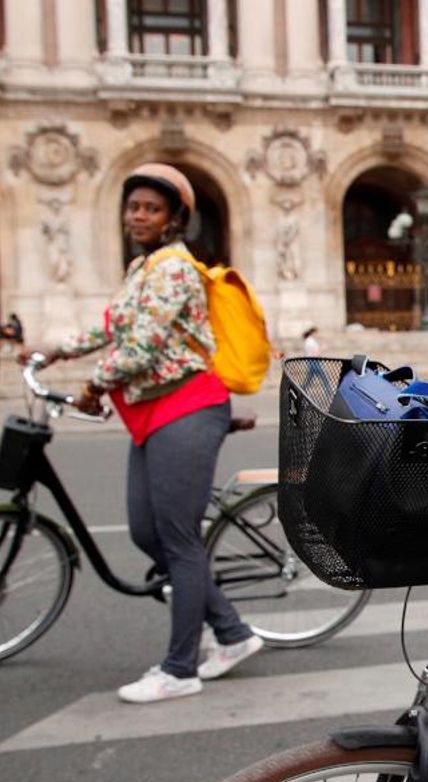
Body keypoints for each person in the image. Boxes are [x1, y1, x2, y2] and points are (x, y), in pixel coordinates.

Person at [18, 162, 262, 703]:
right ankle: (233, 633)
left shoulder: (175, 268)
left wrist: (92, 384)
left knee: (178, 540)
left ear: (175, 218)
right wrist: (53, 349)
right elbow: (114, 324)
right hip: (152, 412)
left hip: (187, 408)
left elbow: (145, 345)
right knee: (146, 533)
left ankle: (179, 669)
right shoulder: (142, 268)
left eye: (152, 208)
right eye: (134, 207)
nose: (139, 216)